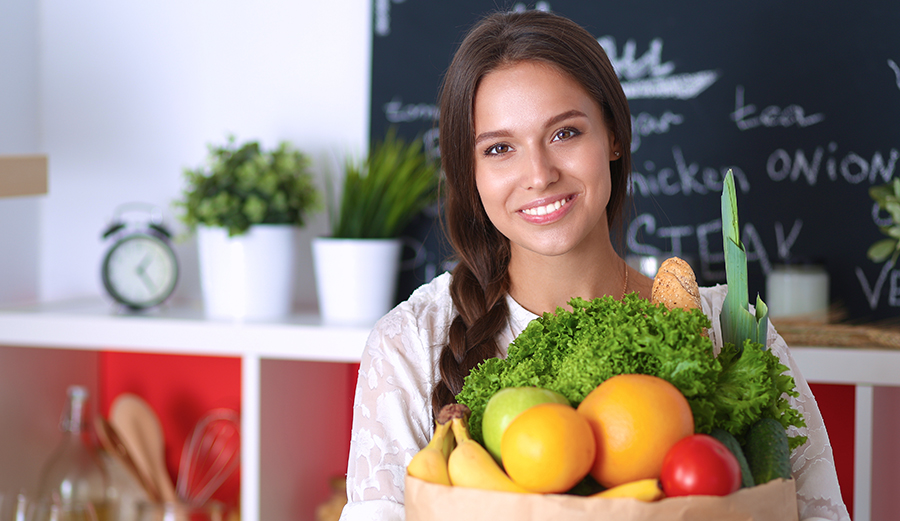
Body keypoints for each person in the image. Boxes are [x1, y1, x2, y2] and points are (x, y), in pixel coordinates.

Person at [339, 9, 849, 521]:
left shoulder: (729, 334)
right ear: (470, 173)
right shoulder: (411, 345)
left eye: (564, 134)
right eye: (499, 148)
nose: (538, 174)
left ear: (614, 136)